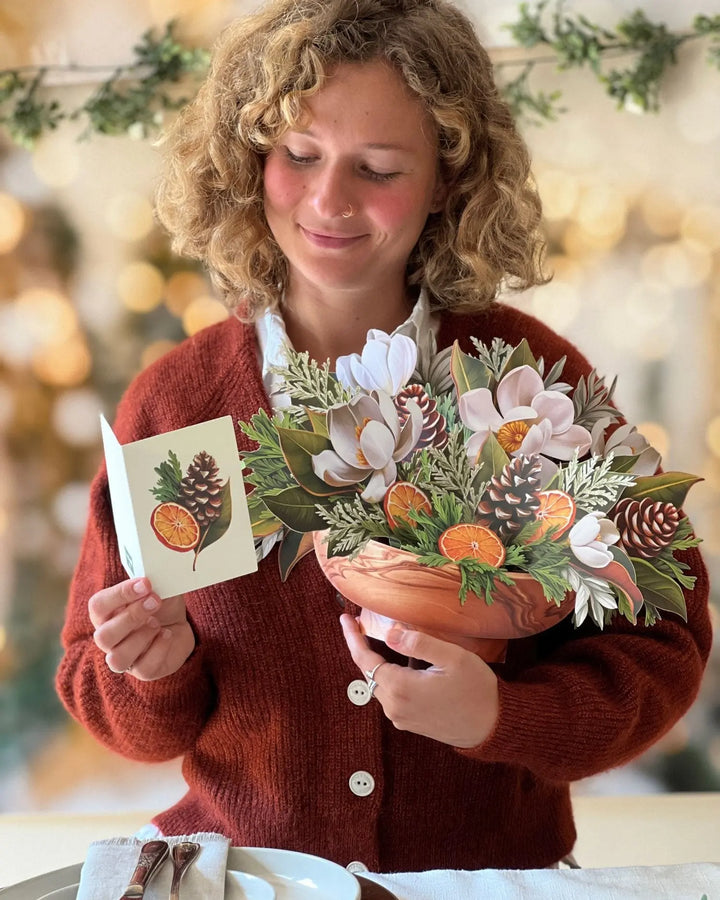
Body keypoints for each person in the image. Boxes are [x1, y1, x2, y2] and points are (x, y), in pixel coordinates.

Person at [56, 0, 712, 873]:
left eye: (377, 166)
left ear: (448, 177)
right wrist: (152, 669)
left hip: (491, 883)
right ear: (249, 161)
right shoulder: (177, 408)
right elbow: (107, 697)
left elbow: (662, 638)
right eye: (299, 156)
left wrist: (502, 717)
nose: (329, 200)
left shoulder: (533, 387)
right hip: (250, 883)